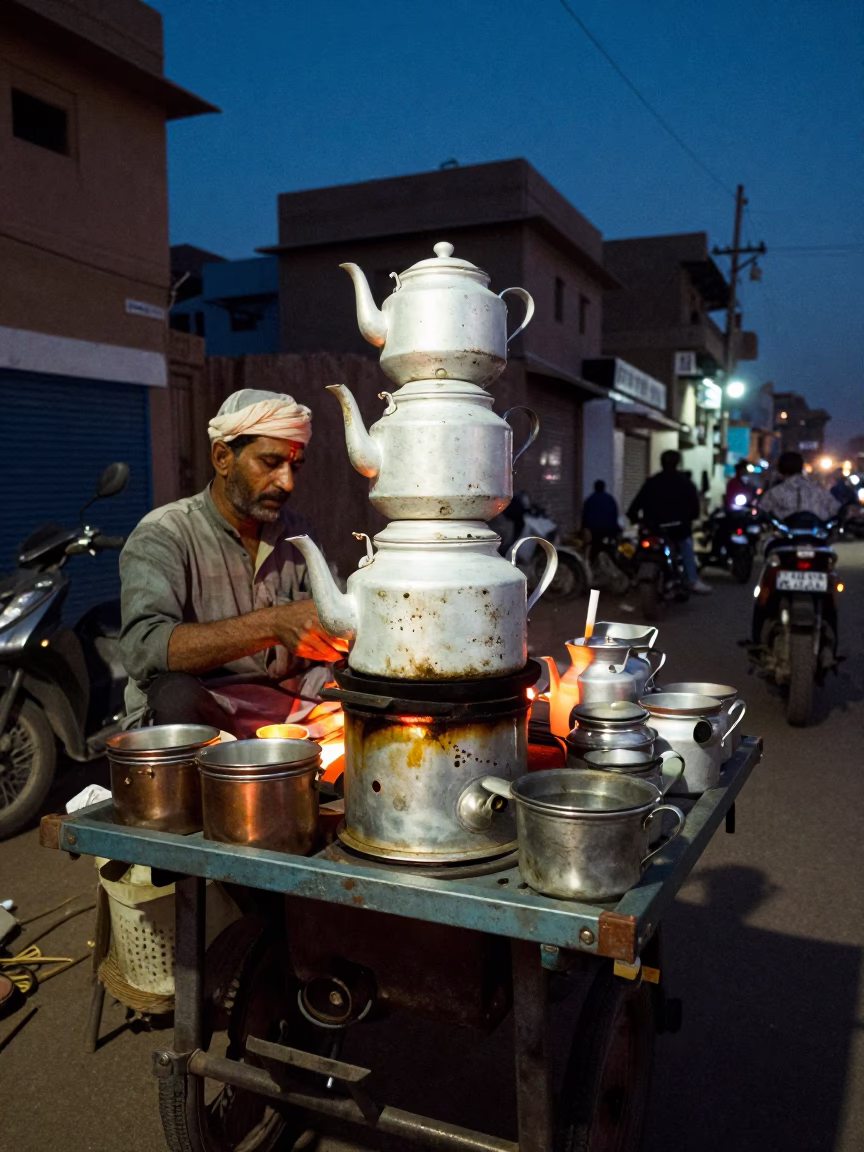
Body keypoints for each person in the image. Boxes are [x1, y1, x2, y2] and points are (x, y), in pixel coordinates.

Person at [119, 389, 346, 737]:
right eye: (270, 464)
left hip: (295, 709)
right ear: (222, 457)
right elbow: (144, 648)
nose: (287, 482)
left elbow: (339, 617)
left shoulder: (299, 532)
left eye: (294, 467)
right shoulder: (164, 534)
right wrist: (271, 625)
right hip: (209, 713)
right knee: (175, 696)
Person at [627, 449, 711, 594]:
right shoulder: (686, 483)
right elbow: (695, 510)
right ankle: (692, 580)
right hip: (677, 530)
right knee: (686, 548)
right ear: (678, 463)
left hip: (653, 529)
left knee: (638, 549)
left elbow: (633, 509)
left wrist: (640, 521)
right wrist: (687, 519)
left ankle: (632, 578)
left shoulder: (651, 483)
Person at [758, 451, 840, 522]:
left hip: (785, 538)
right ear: (801, 467)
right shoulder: (819, 491)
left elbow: (761, 512)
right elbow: (837, 510)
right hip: (816, 537)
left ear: (780, 469)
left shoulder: (775, 493)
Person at [581, 480, 620, 560]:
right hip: (610, 529)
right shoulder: (610, 499)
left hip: (595, 530)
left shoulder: (590, 500)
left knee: (594, 548)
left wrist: (584, 528)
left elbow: (585, 516)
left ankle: (593, 563)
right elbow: (615, 514)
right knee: (613, 547)